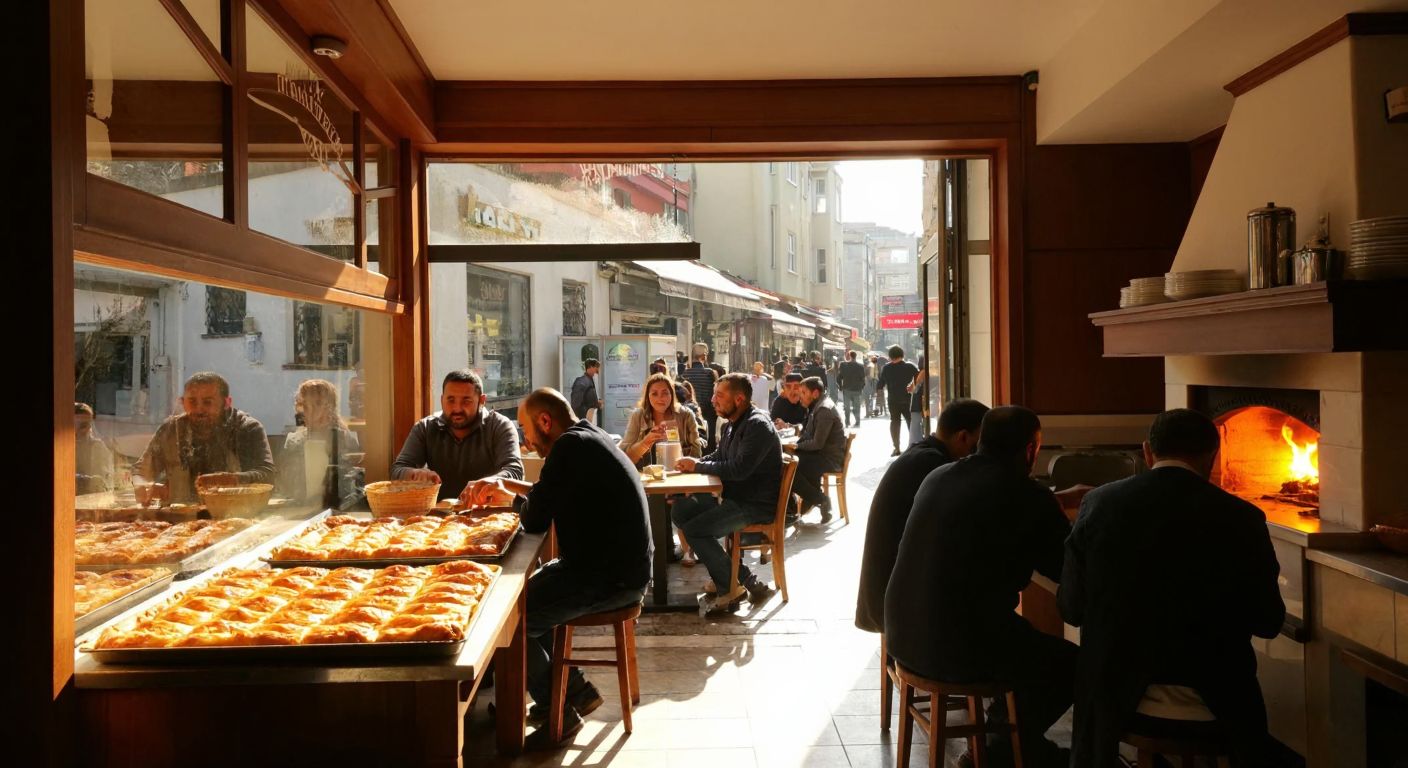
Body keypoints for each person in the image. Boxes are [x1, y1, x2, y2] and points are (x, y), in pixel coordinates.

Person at [1059, 409, 1285, 768]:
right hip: (1215, 696)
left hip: (1116, 695)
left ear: (1147, 451)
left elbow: (1070, 607)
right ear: (1213, 456)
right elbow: (1269, 621)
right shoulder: (1241, 517)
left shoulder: (1099, 504)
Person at [885, 406, 1075, 768]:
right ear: (1031, 451)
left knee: (1022, 641)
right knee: (1068, 664)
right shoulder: (1026, 495)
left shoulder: (939, 475)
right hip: (954, 648)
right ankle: (1001, 749)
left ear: (980, 440)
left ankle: (1011, 744)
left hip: (902, 636)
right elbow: (1066, 569)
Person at [464, 388, 651, 749]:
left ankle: (558, 712)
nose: (525, 439)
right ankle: (574, 691)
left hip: (611, 579)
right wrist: (507, 487)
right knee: (528, 594)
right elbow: (550, 491)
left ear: (545, 421)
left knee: (511, 618)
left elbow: (534, 518)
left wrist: (515, 499)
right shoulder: (587, 437)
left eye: (526, 428)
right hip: (617, 568)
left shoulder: (568, 448)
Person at [854, 398, 988, 634]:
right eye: (979, 444)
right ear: (963, 437)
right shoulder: (933, 466)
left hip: (885, 596)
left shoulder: (922, 453)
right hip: (897, 606)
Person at [671, 373, 782, 616]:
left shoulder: (757, 425)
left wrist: (697, 466)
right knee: (681, 510)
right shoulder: (734, 423)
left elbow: (739, 470)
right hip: (736, 498)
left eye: (719, 395)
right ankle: (741, 578)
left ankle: (730, 589)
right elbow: (720, 457)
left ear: (740, 398)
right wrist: (694, 463)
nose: (712, 400)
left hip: (753, 505)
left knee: (695, 530)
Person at [133, 372, 276, 504]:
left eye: (208, 402)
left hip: (232, 515)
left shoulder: (247, 428)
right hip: (177, 520)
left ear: (227, 403)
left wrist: (230, 480)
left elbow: (267, 475)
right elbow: (141, 471)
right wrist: (143, 485)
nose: (199, 409)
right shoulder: (170, 429)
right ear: (183, 402)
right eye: (192, 402)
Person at [391, 369, 523, 506]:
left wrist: (491, 482)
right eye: (451, 400)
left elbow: (515, 471)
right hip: (438, 519)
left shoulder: (500, 426)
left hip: (488, 516)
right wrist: (415, 474)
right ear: (442, 400)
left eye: (466, 401)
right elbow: (397, 470)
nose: (457, 408)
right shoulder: (425, 427)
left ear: (482, 401)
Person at [277, 379, 362, 508]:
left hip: (340, 508)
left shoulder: (345, 439)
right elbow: (286, 484)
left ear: (329, 407)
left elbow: (351, 484)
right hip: (301, 509)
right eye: (304, 405)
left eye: (316, 404)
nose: (309, 411)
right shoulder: (294, 441)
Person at [788, 376, 846, 524]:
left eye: (803, 392)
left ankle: (818, 500)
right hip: (819, 455)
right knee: (787, 461)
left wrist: (797, 446)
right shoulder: (816, 407)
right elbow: (809, 434)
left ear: (815, 393)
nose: (800, 396)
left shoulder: (824, 409)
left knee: (788, 469)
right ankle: (812, 501)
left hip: (829, 459)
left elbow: (817, 443)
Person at [620, 373, 705, 467]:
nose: (660, 398)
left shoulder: (686, 415)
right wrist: (646, 442)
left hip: (679, 476)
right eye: (654, 394)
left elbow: (697, 454)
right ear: (648, 396)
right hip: (646, 478)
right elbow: (625, 458)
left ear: (671, 394)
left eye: (665, 393)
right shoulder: (638, 416)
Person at [877, 346, 920, 456]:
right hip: (907, 398)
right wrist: (913, 385)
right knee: (910, 421)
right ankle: (913, 446)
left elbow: (880, 384)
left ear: (890, 356)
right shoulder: (909, 366)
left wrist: (878, 395)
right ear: (902, 354)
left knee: (895, 422)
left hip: (893, 399)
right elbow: (919, 377)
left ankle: (896, 448)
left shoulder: (886, 368)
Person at [681, 342, 721, 452]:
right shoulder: (711, 373)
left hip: (688, 414)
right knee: (709, 446)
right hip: (709, 415)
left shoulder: (684, 373)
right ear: (703, 356)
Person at [74, 403, 115, 495]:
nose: (76, 432)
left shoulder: (97, 447)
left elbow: (103, 481)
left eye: (84, 426)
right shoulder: (61, 448)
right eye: (71, 426)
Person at [836, 351, 867, 428]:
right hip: (857, 389)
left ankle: (847, 422)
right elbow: (863, 379)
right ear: (856, 356)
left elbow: (839, 377)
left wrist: (840, 386)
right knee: (857, 406)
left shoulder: (843, 365)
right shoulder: (860, 366)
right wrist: (861, 387)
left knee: (847, 407)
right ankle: (857, 422)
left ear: (849, 356)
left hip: (846, 389)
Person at [568, 358, 602, 424]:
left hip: (589, 419)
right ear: (590, 367)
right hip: (583, 420)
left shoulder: (591, 380)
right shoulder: (581, 382)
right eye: (596, 367)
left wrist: (597, 403)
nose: (597, 370)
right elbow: (575, 404)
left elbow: (589, 399)